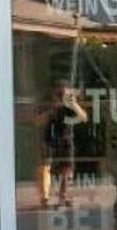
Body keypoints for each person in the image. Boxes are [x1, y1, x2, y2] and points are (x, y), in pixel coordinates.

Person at [37, 76, 89, 208]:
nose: (61, 92)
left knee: (68, 169)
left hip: (66, 138)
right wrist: (51, 109)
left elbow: (84, 117)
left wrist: (73, 104)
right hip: (49, 138)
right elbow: (36, 120)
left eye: (64, 89)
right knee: (46, 167)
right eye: (59, 89)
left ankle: (63, 196)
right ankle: (45, 198)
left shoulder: (70, 102)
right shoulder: (47, 101)